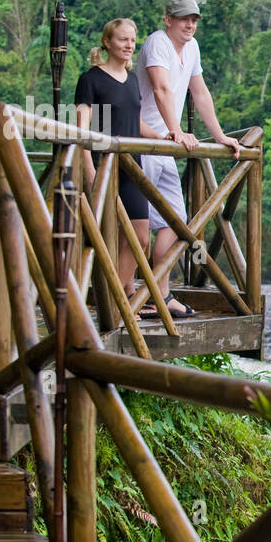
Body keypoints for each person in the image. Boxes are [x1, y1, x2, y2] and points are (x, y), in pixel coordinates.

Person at [135, 0, 240, 318]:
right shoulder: (157, 43)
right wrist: (176, 130)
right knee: (135, 228)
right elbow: (161, 89)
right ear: (167, 19)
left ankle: (159, 295)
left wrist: (220, 135)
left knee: (176, 223)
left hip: (166, 145)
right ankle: (130, 297)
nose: (190, 25)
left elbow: (200, 92)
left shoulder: (192, 48)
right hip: (141, 142)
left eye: (194, 19)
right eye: (183, 19)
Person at [74, 18, 170, 318]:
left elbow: (135, 121)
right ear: (107, 43)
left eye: (132, 40)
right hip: (104, 166)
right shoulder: (91, 80)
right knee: (103, 236)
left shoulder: (131, 80)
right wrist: (90, 171)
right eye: (122, 40)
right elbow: (81, 130)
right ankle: (117, 300)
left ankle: (119, 293)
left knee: (140, 236)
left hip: (132, 166)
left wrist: (162, 135)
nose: (129, 46)